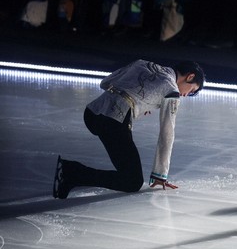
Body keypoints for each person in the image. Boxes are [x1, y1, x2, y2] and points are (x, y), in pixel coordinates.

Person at [53, 59, 205, 199]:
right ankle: (71, 171)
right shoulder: (172, 90)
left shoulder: (143, 63)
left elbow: (105, 82)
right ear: (190, 77)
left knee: (128, 173)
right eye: (191, 91)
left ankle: (71, 173)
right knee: (132, 181)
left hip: (92, 113)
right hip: (113, 120)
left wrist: (137, 101)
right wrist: (160, 174)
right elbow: (167, 133)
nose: (186, 95)